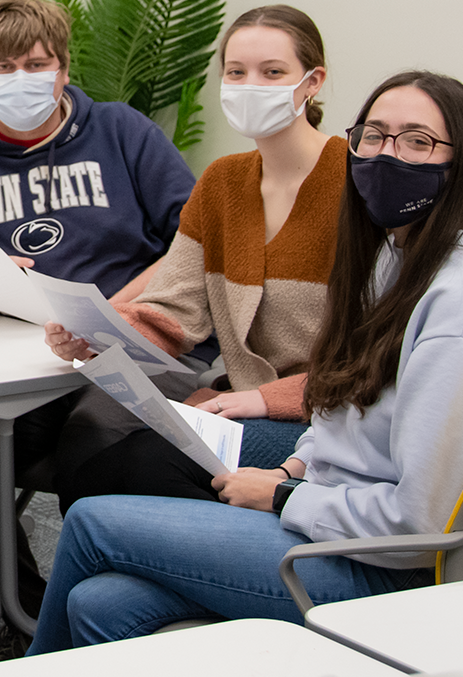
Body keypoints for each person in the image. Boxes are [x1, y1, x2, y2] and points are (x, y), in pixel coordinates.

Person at [28, 70, 463, 653]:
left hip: (378, 568)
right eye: (374, 135)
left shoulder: (451, 305)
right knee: (97, 602)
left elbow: (419, 528)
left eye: (416, 141)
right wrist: (292, 471)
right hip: (324, 512)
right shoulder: (392, 258)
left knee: (88, 521)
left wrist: (283, 498)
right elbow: (340, 415)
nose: (387, 155)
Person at [0, 0, 202, 624]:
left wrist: (118, 306)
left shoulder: (121, 132)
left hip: (123, 348)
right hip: (16, 362)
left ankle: (105, 611)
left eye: (37, 63)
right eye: (4, 67)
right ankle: (30, 613)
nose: (20, 79)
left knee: (96, 447)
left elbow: (195, 233)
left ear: (63, 67)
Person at [47, 5, 343, 505]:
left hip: (324, 417)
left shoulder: (355, 184)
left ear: (312, 82)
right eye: (236, 72)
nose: (251, 85)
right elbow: (172, 309)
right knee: (85, 451)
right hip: (233, 404)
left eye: (272, 72)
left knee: (138, 465)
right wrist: (95, 334)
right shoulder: (224, 182)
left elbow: (380, 358)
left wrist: (264, 400)